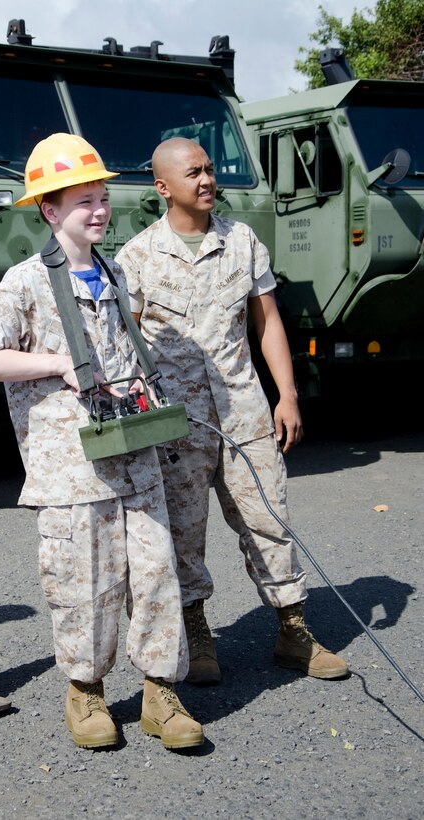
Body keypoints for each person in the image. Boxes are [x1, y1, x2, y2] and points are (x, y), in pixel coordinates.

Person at [0, 133, 204, 750]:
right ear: (48, 210)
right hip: (70, 470)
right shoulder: (25, 283)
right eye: (82, 203)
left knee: (156, 576)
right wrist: (56, 362)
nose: (99, 211)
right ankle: (86, 693)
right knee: (83, 584)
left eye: (101, 198)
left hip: (135, 456)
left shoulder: (114, 273)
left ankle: (160, 694)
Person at [115, 137, 349, 684]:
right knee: (183, 532)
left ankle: (294, 629)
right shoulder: (138, 256)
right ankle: (197, 636)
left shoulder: (242, 241)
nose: (206, 180)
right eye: (193, 172)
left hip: (243, 409)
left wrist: (286, 394)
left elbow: (266, 321)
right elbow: (122, 341)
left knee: (268, 520)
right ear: (162, 186)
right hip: (176, 421)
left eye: (210, 169)